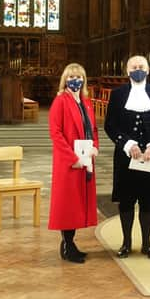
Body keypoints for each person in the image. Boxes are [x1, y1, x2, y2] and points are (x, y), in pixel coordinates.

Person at [104, 55, 150, 260]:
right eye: (133, 67)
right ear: (127, 71)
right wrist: (127, 143)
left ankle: (147, 244)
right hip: (126, 157)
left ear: (148, 70)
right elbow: (110, 125)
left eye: (141, 66)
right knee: (126, 201)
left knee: (148, 201)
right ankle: (126, 244)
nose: (137, 69)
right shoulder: (117, 95)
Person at [48, 63, 99, 264]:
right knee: (68, 205)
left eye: (78, 76)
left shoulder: (86, 102)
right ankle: (67, 245)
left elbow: (93, 129)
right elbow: (56, 133)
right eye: (71, 77)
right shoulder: (60, 101)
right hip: (69, 162)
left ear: (84, 80)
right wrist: (73, 158)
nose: (75, 80)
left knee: (78, 203)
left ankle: (71, 243)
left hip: (85, 158)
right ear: (65, 80)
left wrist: (95, 146)